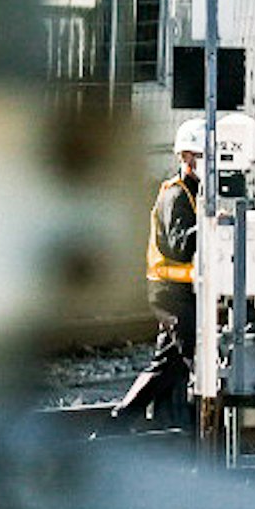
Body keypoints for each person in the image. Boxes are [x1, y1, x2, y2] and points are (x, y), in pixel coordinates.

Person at [105, 136, 202, 434]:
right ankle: (125, 422)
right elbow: (179, 246)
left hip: (182, 290)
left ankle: (143, 424)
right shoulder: (176, 195)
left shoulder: (197, 192)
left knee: (169, 364)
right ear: (186, 157)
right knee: (191, 358)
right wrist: (211, 225)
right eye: (203, 155)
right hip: (170, 291)